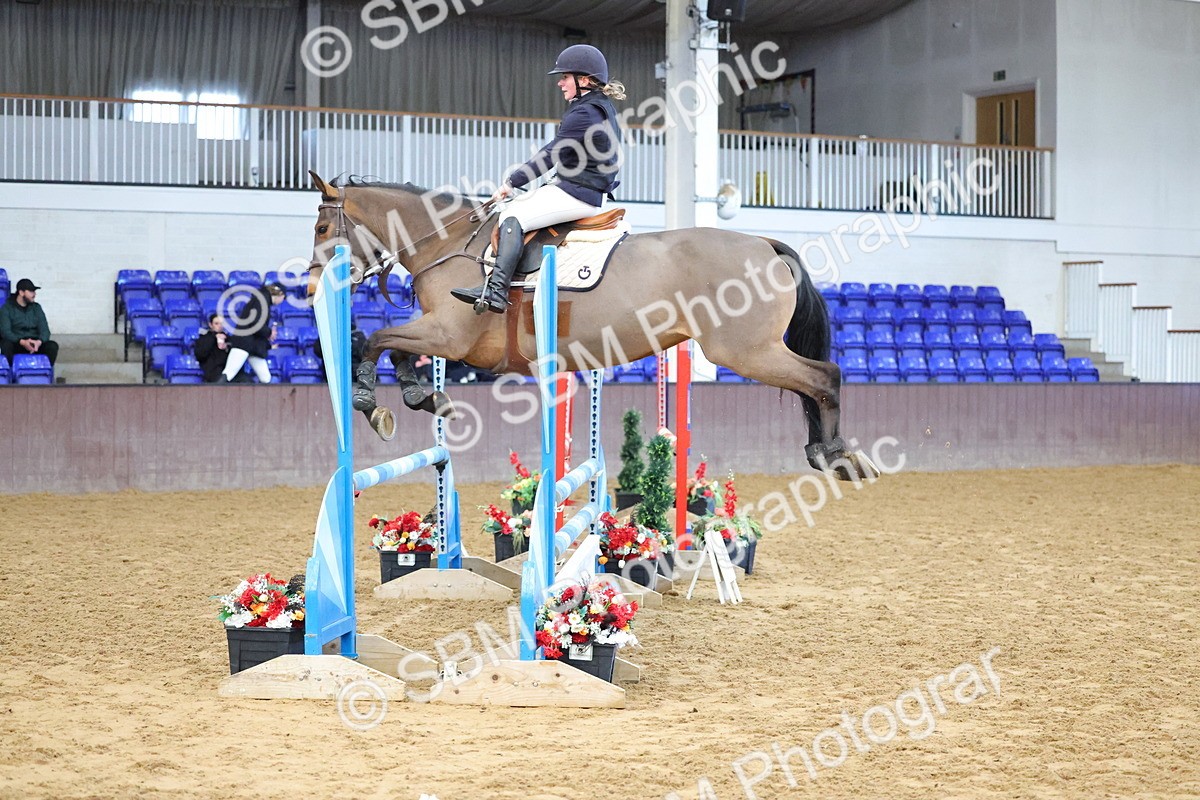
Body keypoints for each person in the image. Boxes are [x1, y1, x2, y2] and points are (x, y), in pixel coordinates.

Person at [452, 44, 625, 314]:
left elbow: (549, 156)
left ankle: (496, 290)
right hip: (578, 187)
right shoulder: (596, 107)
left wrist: (511, 183)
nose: (560, 83)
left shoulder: (585, 113)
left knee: (513, 217)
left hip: (579, 193)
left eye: (565, 77)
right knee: (515, 210)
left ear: (583, 80)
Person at [221, 282, 287, 383]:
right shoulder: (262, 301)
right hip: (244, 343)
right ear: (280, 295)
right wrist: (269, 333)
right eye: (283, 298)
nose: (282, 301)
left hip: (251, 345)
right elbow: (256, 323)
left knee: (265, 378)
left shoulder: (260, 299)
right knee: (229, 373)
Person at [0, 278, 59, 366]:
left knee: (52, 346)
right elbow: (5, 332)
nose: (34, 294)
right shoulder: (7, 308)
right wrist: (22, 342)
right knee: (6, 345)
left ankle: (45, 373)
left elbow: (45, 330)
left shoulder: (37, 308)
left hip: (35, 344)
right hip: (17, 343)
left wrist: (39, 342)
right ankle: (11, 374)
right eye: (31, 291)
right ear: (21, 292)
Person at [193, 313, 235, 383]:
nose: (220, 326)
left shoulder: (229, 339)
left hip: (229, 372)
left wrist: (227, 347)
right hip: (212, 372)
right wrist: (214, 338)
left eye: (221, 323)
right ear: (210, 325)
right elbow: (200, 355)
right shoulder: (204, 339)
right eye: (216, 323)